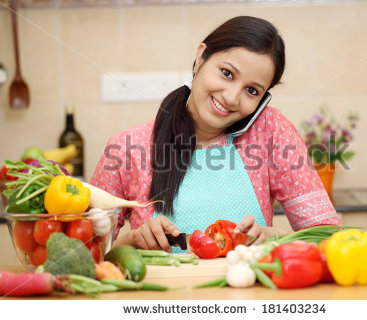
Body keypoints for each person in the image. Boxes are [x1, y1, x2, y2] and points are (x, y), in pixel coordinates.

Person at [90, 16, 341, 252]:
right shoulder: (126, 148)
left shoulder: (272, 133)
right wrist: (132, 241)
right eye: (227, 73)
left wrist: (279, 238)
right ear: (200, 58)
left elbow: (330, 238)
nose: (231, 98)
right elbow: (82, 251)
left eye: (252, 91)